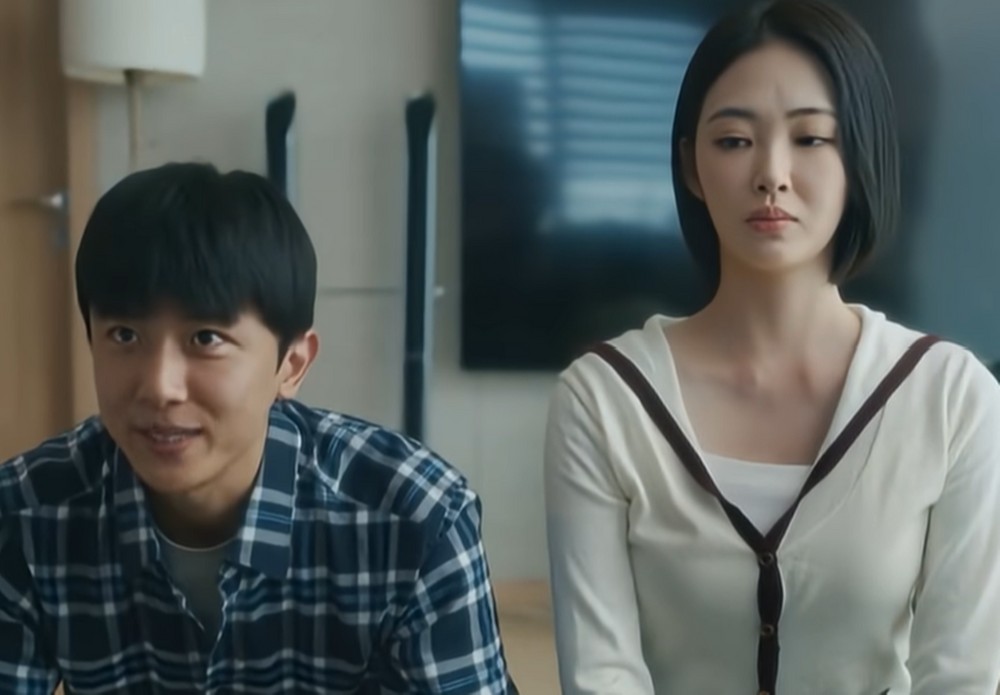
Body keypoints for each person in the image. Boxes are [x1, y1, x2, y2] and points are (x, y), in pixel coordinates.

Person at [543, 1, 1000, 693]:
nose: (771, 174)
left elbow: (960, 674)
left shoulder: (952, 397)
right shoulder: (603, 399)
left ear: (859, 158)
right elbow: (600, 673)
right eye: (733, 141)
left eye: (811, 138)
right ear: (691, 166)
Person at [0, 162, 515, 694]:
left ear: (291, 364)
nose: (159, 387)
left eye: (206, 338)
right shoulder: (25, 513)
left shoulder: (417, 517)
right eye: (125, 335)